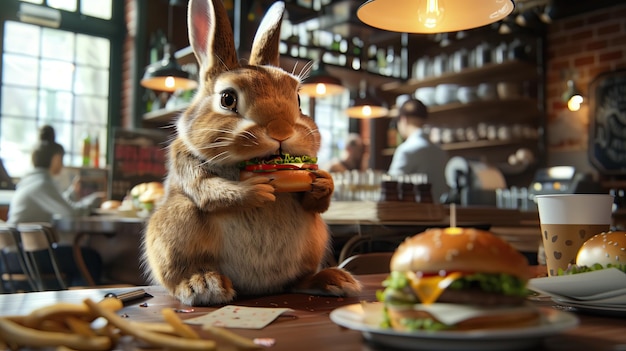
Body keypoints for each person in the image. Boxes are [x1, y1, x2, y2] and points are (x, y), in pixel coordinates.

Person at [5, 125, 104, 289]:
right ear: (56, 158)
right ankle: (83, 307)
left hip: (12, 257)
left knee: (82, 258)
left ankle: (72, 303)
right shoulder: (44, 183)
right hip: (24, 259)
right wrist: (95, 200)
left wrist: (72, 193)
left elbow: (59, 204)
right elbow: (72, 213)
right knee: (91, 259)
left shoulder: (30, 182)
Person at [388, 99, 449, 203]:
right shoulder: (441, 152)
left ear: (404, 120)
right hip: (439, 212)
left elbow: (391, 188)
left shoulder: (406, 150)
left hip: (414, 213)